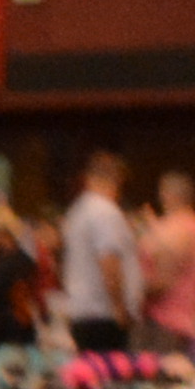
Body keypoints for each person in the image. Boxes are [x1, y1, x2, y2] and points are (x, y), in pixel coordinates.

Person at [55, 149, 138, 351]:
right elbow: (109, 260)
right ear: (115, 180)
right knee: (109, 368)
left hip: (81, 310)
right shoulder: (105, 212)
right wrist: (119, 307)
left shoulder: (77, 211)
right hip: (104, 314)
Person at [135, 171, 195, 355]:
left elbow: (163, 281)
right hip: (171, 320)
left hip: (164, 323)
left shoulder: (180, 228)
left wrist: (128, 290)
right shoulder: (186, 226)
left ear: (167, 194)